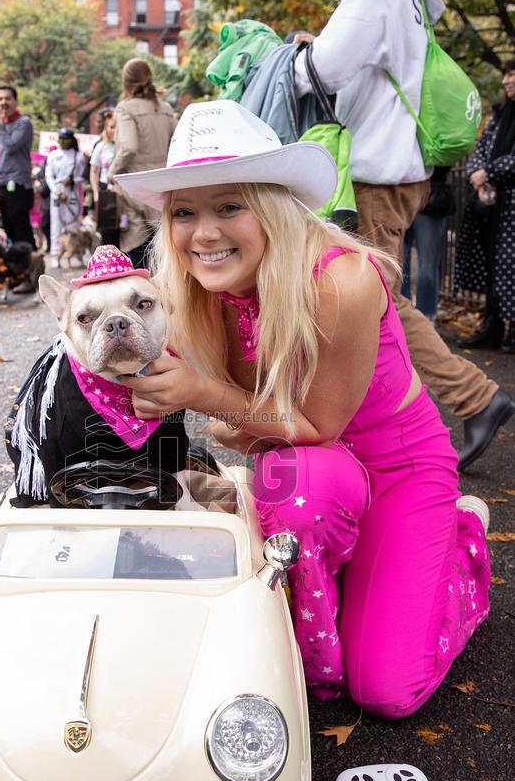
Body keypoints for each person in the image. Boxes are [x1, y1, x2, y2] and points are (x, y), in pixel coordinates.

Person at [115, 99, 491, 719]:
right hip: (310, 472)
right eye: (185, 212)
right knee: (305, 487)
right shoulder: (183, 288)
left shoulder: (340, 281)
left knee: (388, 693)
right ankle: (341, 589)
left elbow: (319, 427)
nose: (203, 233)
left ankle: (459, 544)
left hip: (396, 470)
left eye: (229, 206)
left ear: (270, 206)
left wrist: (205, 395)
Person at [291, 0, 514, 471]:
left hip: (374, 175)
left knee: (373, 303)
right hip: (397, 172)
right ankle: (438, 409)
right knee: (374, 300)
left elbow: (323, 70)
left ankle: (473, 398)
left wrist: (297, 52)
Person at [455, 59, 515, 354]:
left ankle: (511, 331)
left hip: (510, 205)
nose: (506, 80)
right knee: (493, 266)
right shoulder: (500, 114)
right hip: (492, 205)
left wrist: (489, 174)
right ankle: (491, 328)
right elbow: (480, 149)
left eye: (512, 74)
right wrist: (479, 177)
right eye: (505, 74)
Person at [109, 58, 177, 270]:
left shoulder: (125, 108)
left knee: (138, 251)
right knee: (165, 251)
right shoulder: (165, 108)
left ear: (125, 82)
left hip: (135, 187)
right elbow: (178, 141)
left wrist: (112, 172)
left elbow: (128, 147)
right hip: (164, 186)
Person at [401, 166, 454, 321]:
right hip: (400, 195)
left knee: (428, 268)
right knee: (399, 263)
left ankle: (425, 317)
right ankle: (400, 316)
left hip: (431, 197)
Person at [0, 84, 35, 249]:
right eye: (0, 99)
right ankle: (19, 269)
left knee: (21, 229)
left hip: (18, 184)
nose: (3, 102)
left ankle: (32, 268)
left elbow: (12, 146)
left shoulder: (23, 123)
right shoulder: (3, 126)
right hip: (3, 183)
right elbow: (3, 155)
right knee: (9, 229)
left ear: (16, 102)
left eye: (7, 98)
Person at [45, 127, 86, 268]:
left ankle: (77, 254)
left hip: (71, 195)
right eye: (60, 139)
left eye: (65, 139)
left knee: (73, 227)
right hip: (57, 195)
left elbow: (82, 177)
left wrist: (73, 181)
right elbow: (48, 176)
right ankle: (56, 255)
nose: (62, 142)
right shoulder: (52, 155)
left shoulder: (78, 157)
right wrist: (57, 192)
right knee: (56, 226)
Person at [90, 111, 120, 248]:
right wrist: (96, 193)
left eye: (118, 127)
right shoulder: (101, 147)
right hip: (106, 192)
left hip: (124, 193)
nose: (115, 130)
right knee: (108, 232)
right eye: (112, 127)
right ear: (106, 128)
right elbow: (94, 171)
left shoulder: (125, 147)